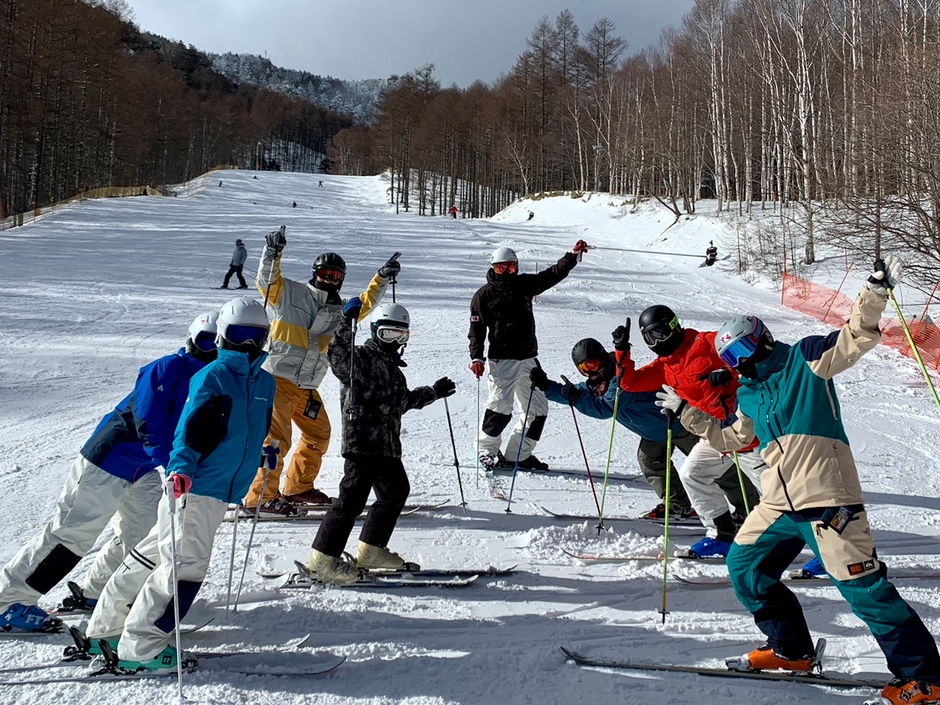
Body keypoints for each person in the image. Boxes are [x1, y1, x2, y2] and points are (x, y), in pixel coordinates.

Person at [657, 257, 940, 705]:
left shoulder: (806, 361)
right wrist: (687, 413)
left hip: (828, 498)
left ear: (762, 339)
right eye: (730, 357)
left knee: (864, 590)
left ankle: (923, 677)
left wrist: (875, 291)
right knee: (746, 565)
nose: (740, 363)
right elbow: (735, 438)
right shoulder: (748, 392)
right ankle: (792, 651)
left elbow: (855, 336)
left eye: (743, 351)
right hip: (779, 502)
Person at [86, 298, 276, 672]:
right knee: (183, 568)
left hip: (221, 488)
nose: (249, 345)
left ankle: (107, 628)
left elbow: (242, 432)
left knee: (152, 554)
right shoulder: (212, 376)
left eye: (257, 337)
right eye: (240, 335)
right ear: (222, 334)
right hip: (196, 487)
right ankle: (142, 644)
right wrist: (182, 467)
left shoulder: (265, 383)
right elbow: (190, 430)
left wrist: (261, 453)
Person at [0, 313, 219, 633]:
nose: (210, 348)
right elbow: (148, 419)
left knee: (142, 537)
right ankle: (10, 600)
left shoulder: (215, 378)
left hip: (146, 469)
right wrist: (168, 460)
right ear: (191, 339)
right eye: (204, 340)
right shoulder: (169, 367)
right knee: (72, 532)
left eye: (217, 342)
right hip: (112, 458)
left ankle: (99, 589)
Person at [243, 225, 397, 514]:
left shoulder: (340, 310)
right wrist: (273, 252)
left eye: (335, 276)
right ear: (314, 273)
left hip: (307, 385)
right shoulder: (290, 292)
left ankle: (298, 487)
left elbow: (363, 304)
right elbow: (266, 280)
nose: (329, 279)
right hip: (277, 378)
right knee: (276, 439)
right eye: (325, 273)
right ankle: (260, 498)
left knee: (319, 433)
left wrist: (381, 277)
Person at [307, 301, 455, 583]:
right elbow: (336, 356)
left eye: (402, 335)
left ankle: (371, 550)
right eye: (389, 334)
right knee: (351, 501)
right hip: (362, 443)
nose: (396, 341)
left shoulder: (394, 370)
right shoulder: (359, 359)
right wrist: (345, 324)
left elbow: (402, 402)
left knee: (395, 492)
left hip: (386, 446)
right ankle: (323, 559)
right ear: (375, 332)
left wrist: (433, 392)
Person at [529, 338, 756, 519]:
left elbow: (606, 408)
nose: (591, 371)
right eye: (585, 368)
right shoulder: (596, 383)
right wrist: (547, 386)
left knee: (717, 468)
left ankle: (749, 506)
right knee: (649, 461)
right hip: (653, 433)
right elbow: (575, 392)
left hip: (680, 425)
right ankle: (678, 504)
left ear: (602, 358)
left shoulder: (620, 378)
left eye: (594, 363)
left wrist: (577, 398)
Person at [611, 305, 764, 558]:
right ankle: (721, 534)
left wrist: (728, 372)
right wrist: (622, 352)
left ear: (674, 326)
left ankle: (821, 546)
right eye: (650, 337)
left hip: (747, 432)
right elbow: (629, 382)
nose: (657, 341)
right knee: (692, 474)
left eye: (660, 332)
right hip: (713, 434)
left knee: (779, 495)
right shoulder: (663, 366)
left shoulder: (705, 342)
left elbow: (748, 353)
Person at [469, 242, 589, 471]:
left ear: (516, 267)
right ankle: (486, 451)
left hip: (528, 359)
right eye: (500, 268)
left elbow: (551, 275)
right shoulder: (483, 296)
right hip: (501, 360)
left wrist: (572, 256)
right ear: (492, 268)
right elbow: (476, 331)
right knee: (500, 407)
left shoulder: (524, 285)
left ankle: (518, 454)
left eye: (510, 267)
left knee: (537, 409)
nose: (506, 272)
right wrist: (477, 357)